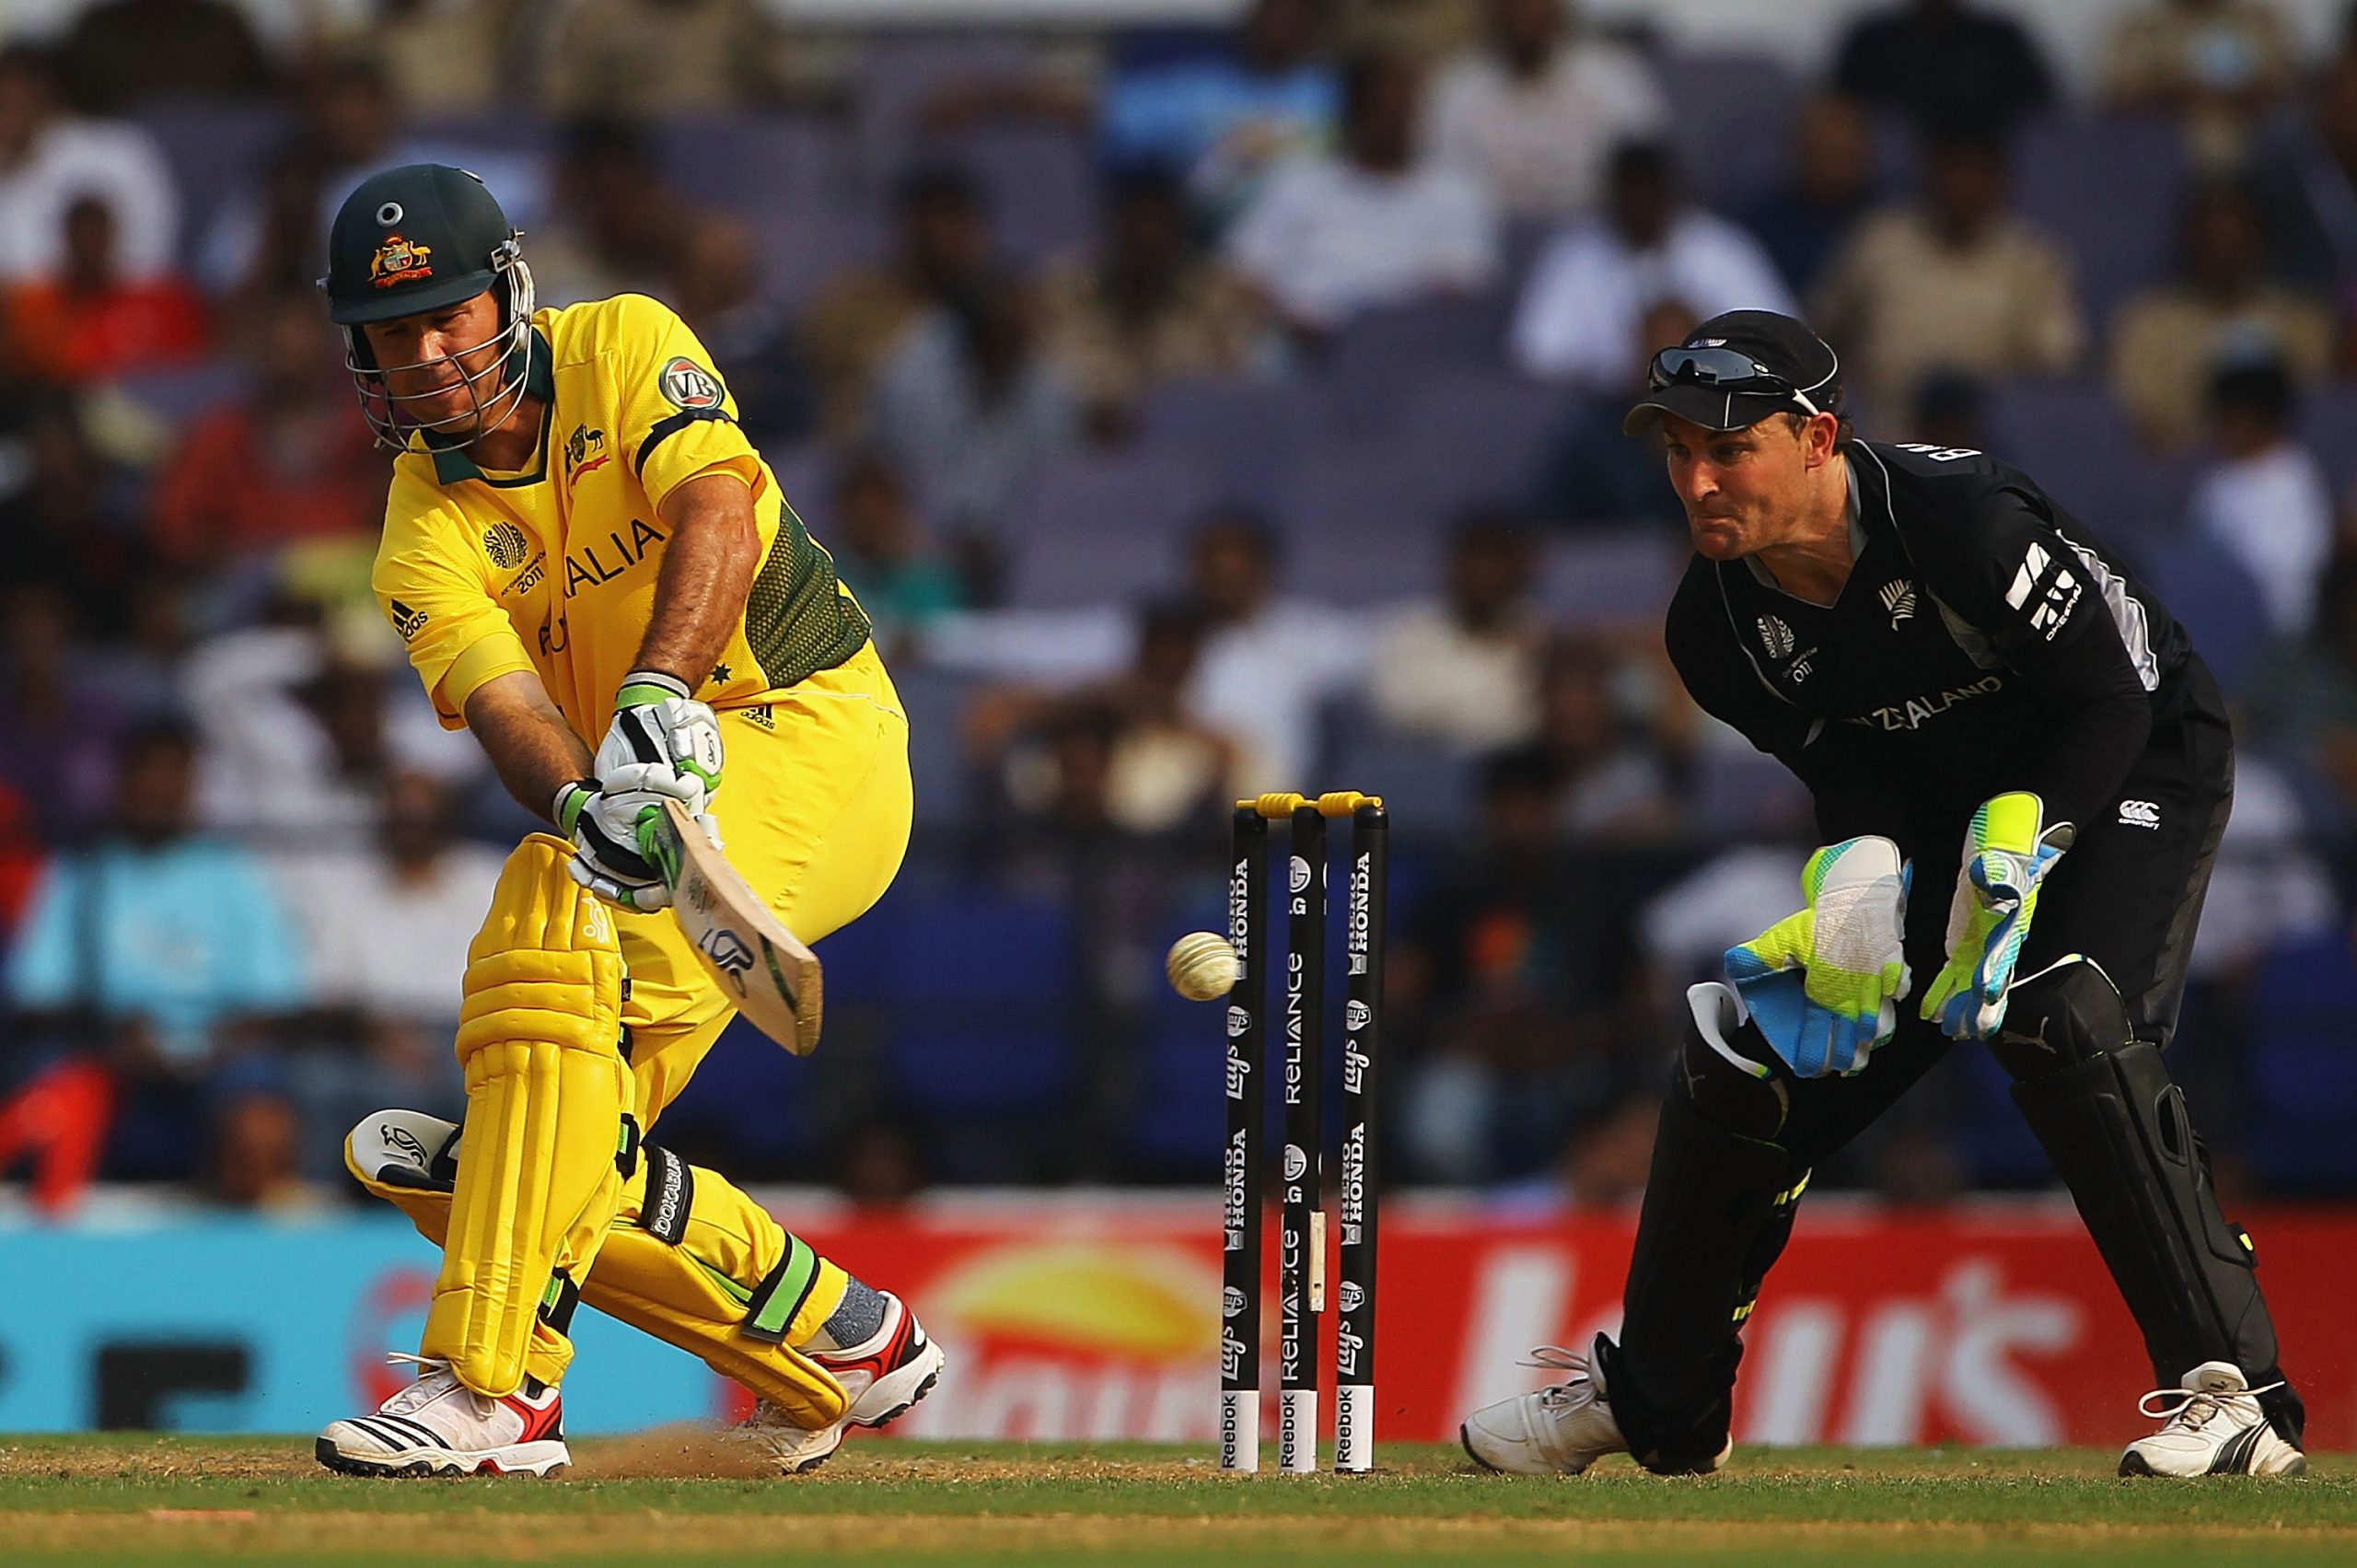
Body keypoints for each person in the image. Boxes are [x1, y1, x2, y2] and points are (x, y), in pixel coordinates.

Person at [1458, 309, 2307, 1481]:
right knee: (1746, 1058)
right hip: (1950, 809)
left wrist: (2027, 833)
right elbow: (1856, 764)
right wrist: (1857, 878)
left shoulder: (1958, 521)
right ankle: (1656, 1403)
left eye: (1729, 449)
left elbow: (2109, 698)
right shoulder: (1711, 628)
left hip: (2133, 759)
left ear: (1818, 437)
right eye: (1677, 454)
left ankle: (2237, 1399)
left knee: (2060, 1010)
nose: (1698, 482)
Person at [310, 165, 937, 1479]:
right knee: (534, 1151)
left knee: (550, 917)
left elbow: (718, 509)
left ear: (509, 298)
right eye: (393, 332)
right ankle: (837, 1338)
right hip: (655, 799)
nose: (426, 354)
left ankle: (493, 1387)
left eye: (449, 315)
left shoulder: (625, 344)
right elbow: (503, 706)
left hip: (816, 735)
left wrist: (655, 694)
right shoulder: (422, 523)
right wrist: (590, 793)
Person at [1810, 129, 2083, 416]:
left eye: (1977, 172)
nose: (1964, 186)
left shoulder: (2032, 260)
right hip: (1880, 432)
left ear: (2000, 181)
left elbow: (2057, 368)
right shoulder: (1878, 243)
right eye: (1953, 170)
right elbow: (1822, 334)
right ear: (1930, 173)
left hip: (1986, 441)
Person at [1224, 52, 1497, 334]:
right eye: (1381, 110)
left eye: (1403, 111)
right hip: (1295, 343)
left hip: (1407, 347)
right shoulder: (1298, 183)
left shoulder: (1455, 193)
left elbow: (1462, 290)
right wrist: (1290, 321)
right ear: (1354, 112)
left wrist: (1372, 332)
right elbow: (1243, 274)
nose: (1393, 123)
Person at [1511, 141, 1793, 391]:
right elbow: (1536, 355)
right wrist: (1626, 373)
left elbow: (1778, 339)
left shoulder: (1723, 248)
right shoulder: (1574, 253)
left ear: (1670, 192)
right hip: (1610, 410)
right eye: (1629, 192)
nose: (1638, 204)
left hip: (1716, 401)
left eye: (1648, 191)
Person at [2108, 180, 2332, 452]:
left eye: (2236, 242)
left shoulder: (2303, 322)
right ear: (2191, 243)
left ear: (2260, 240)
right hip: (2182, 474)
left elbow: (2320, 416)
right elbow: (2139, 426)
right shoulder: (2146, 325)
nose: (2225, 255)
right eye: (2214, 243)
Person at [1418, 0, 1666, 221]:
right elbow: (1438, 191)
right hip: (1489, 242)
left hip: (1596, 236)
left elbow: (1650, 173)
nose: (1525, 12)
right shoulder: (1455, 89)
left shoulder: (1613, 76)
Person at [0, 46, 178, 286]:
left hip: (115, 307)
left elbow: (152, 255)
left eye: (10, 97)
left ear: (42, 93)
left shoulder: (115, 152)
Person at [1830, 0, 2056, 137]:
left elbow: (2043, 119)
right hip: (1885, 187)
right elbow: (1835, 115)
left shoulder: (2000, 40)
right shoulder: (1871, 41)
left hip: (1987, 180)